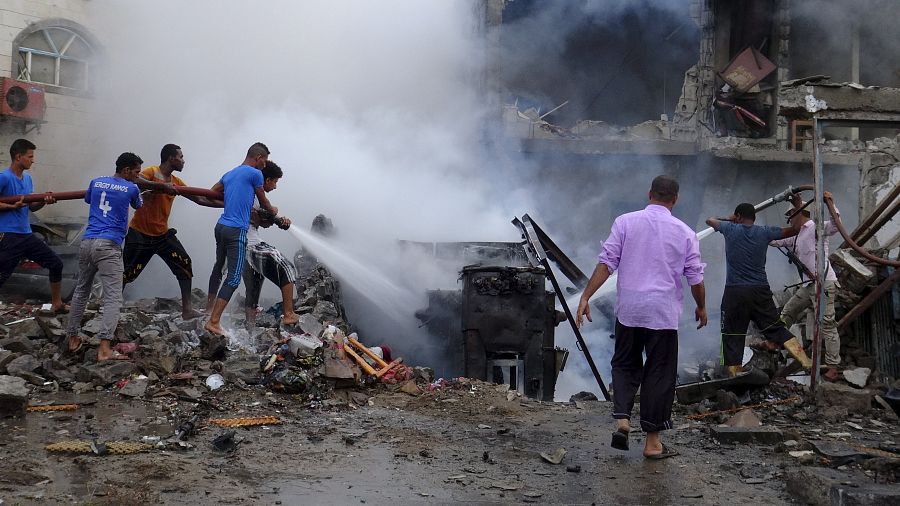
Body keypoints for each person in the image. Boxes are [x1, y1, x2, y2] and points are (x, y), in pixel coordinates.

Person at [576, 175, 707, 460]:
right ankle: (652, 442)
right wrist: (701, 306)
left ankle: (623, 420)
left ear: (650, 194)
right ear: (675, 199)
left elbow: (606, 262)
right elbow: (695, 278)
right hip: (662, 314)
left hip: (630, 310)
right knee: (659, 374)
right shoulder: (685, 232)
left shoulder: (625, 222)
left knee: (624, 364)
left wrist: (586, 296)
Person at [706, 200, 812, 377]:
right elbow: (795, 230)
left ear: (738, 217)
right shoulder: (764, 232)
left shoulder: (730, 228)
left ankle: (734, 374)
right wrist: (798, 205)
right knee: (776, 328)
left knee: (732, 332)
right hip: (760, 290)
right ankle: (806, 362)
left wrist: (729, 218)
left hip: (735, 291)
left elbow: (709, 220)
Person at [123, 144, 221, 320]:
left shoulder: (176, 182)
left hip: (162, 235)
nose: (183, 161)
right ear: (171, 158)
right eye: (181, 157)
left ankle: (187, 310)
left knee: (184, 264)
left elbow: (200, 199)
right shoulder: (151, 172)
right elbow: (135, 181)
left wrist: (229, 204)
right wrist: (161, 187)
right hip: (140, 234)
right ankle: (109, 305)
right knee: (126, 273)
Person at [66, 153, 143, 360]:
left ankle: (72, 339)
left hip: (87, 242)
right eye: (136, 172)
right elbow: (139, 205)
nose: (138, 176)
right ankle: (104, 348)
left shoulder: (96, 181)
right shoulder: (132, 188)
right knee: (113, 298)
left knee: (81, 290)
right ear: (126, 170)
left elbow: (88, 198)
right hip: (108, 245)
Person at [205, 142, 279, 336]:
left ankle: (208, 312)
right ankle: (213, 321)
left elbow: (210, 194)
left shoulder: (229, 174)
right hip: (236, 231)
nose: (265, 165)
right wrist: (274, 212)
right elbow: (264, 202)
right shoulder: (254, 174)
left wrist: (231, 203)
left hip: (220, 226)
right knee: (234, 278)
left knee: (219, 267)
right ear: (259, 158)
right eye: (265, 161)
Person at [769, 191, 841, 368]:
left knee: (827, 324)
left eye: (790, 216)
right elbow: (773, 241)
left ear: (799, 214)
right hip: (809, 285)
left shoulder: (815, 228)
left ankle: (833, 365)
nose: (789, 220)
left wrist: (831, 203)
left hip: (824, 284)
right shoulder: (796, 235)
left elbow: (835, 226)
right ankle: (775, 342)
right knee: (788, 312)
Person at [0, 139, 66, 313]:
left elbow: (31, 206)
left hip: (26, 234)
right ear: (18, 156)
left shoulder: (27, 179)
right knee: (1, 276)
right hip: (9, 235)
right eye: (30, 156)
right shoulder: (4, 178)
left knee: (56, 264)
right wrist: (10, 206)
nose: (33, 160)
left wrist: (44, 201)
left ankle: (57, 303)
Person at [243, 161, 299, 326]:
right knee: (287, 267)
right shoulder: (252, 195)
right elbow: (257, 217)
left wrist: (277, 219)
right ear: (266, 180)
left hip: (241, 244)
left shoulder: (252, 194)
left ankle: (250, 327)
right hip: (250, 244)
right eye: (274, 181)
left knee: (254, 283)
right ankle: (288, 313)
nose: (275, 186)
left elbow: (263, 222)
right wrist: (274, 215)